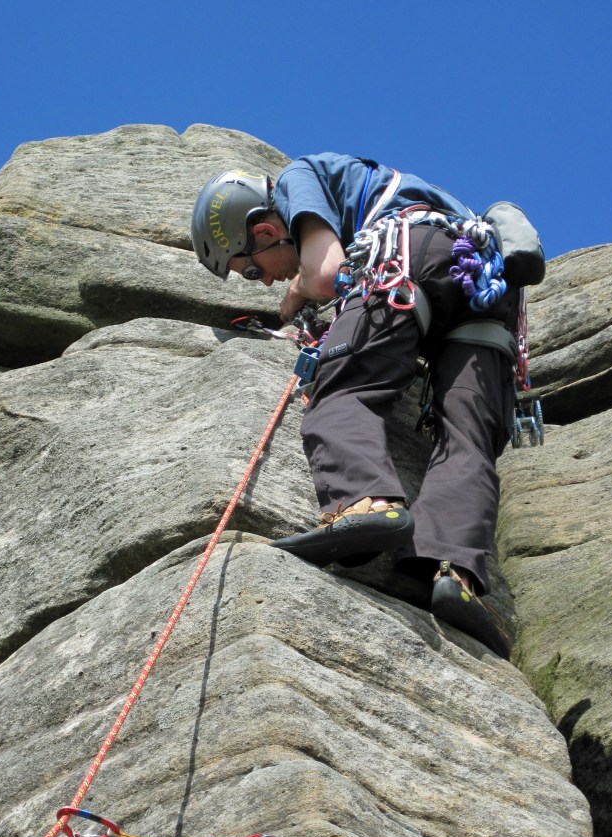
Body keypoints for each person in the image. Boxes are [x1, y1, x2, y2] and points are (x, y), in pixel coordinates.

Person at [191, 154, 524, 658]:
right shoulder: (411, 194)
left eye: (251, 269)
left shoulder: (296, 180)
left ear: (262, 230)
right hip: (482, 286)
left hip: (408, 258)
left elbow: (326, 273)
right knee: (468, 439)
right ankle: (451, 573)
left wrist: (299, 292)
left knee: (341, 391)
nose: (261, 282)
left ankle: (366, 505)